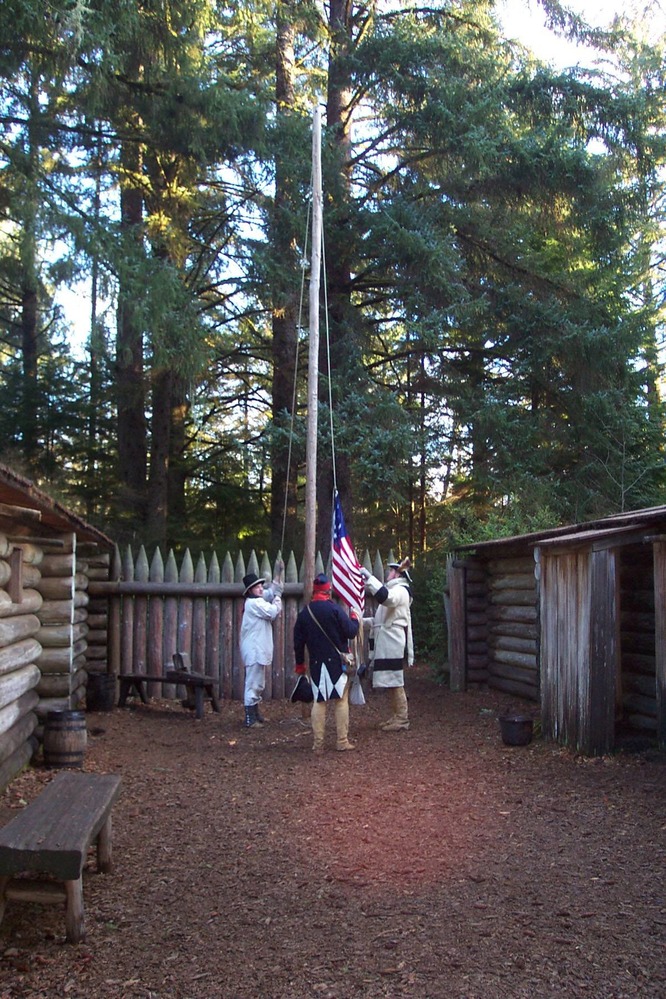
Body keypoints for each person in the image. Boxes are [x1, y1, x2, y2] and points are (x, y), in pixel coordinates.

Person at [293, 573, 360, 752]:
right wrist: (355, 617)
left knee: (319, 701)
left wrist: (300, 665)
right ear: (328, 591)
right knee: (341, 700)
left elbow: (298, 643)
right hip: (337, 663)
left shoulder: (304, 614)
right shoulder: (335, 610)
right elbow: (351, 631)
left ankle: (318, 745)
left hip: (316, 663)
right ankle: (342, 741)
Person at [361, 557, 414, 732]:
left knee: (395, 679)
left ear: (399, 574)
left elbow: (387, 599)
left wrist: (369, 578)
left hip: (393, 639)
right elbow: (380, 620)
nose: (389, 573)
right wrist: (362, 622)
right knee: (391, 680)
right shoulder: (395, 589)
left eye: (392, 571)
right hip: (387, 638)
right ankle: (396, 716)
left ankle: (402, 718)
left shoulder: (400, 590)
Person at [239, 562, 284, 728]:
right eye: (256, 587)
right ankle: (250, 718)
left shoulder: (257, 599)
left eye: (260, 586)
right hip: (254, 648)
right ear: (250, 590)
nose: (260, 589)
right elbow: (273, 611)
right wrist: (278, 598)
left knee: (258, 682)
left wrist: (278, 574)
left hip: (257, 648)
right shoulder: (254, 604)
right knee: (253, 682)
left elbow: (270, 592)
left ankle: (255, 713)